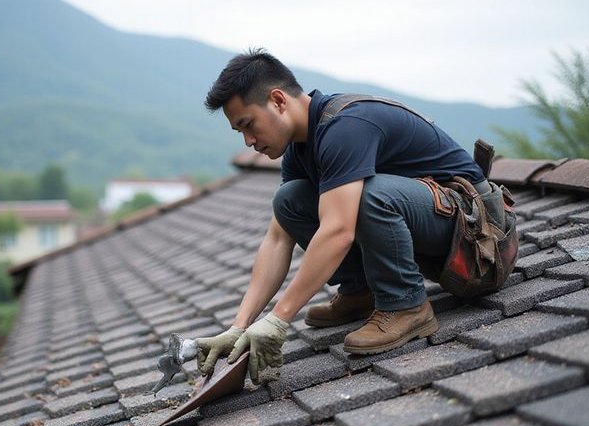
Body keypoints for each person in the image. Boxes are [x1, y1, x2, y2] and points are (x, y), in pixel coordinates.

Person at [196, 49, 490, 384]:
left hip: (478, 237)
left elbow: (338, 231)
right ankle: (361, 290)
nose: (249, 141)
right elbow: (278, 238)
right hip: (437, 224)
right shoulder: (300, 146)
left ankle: (405, 305)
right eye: (240, 133)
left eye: (248, 125)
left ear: (278, 100)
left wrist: (279, 318)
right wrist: (240, 325)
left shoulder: (345, 126)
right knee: (289, 200)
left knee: (363, 194)